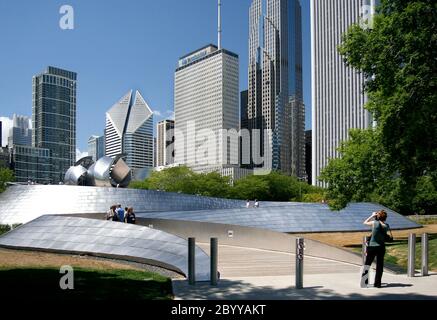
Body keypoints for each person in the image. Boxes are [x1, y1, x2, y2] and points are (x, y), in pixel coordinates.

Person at [362, 210, 390, 288]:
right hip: (381, 247)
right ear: (385, 217)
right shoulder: (386, 226)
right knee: (380, 265)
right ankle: (377, 284)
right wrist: (377, 216)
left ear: (378, 216)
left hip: (372, 246)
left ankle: (364, 283)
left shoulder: (374, 223)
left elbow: (365, 222)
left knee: (367, 264)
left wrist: (372, 216)